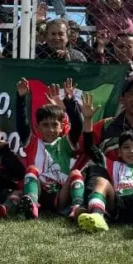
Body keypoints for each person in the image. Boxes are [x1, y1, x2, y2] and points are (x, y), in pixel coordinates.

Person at [78, 94, 133, 235]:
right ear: (119, 152)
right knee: (101, 181)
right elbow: (90, 147)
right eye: (126, 147)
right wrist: (88, 119)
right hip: (116, 203)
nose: (131, 151)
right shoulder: (112, 164)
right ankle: (97, 216)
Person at [13, 79, 86, 220]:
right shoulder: (33, 143)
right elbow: (22, 123)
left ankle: (76, 207)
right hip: (39, 192)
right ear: (38, 127)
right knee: (31, 170)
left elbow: (78, 125)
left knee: (76, 173)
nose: (50, 129)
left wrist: (69, 102)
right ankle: (32, 205)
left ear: (61, 126)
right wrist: (21, 98)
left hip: (61, 194)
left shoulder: (65, 143)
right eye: (45, 125)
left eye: (54, 125)